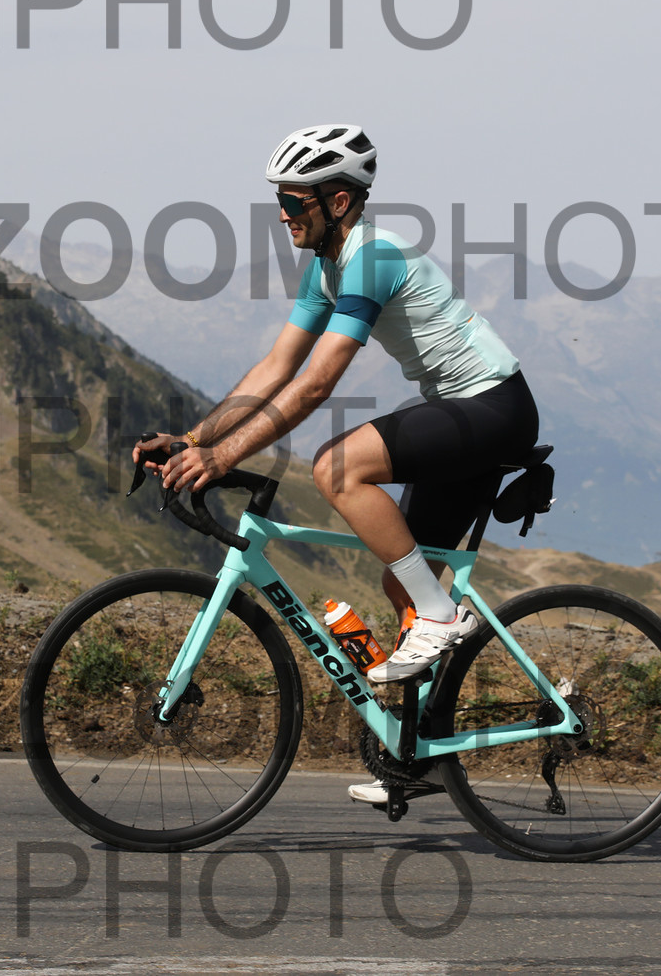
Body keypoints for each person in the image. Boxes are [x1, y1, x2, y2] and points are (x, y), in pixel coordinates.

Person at [134, 123, 540, 802]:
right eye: (279, 202)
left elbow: (317, 383)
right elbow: (276, 368)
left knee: (337, 467)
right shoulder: (327, 268)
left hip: (494, 407)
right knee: (404, 583)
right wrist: (193, 437)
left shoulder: (372, 258)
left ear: (340, 201)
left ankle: (442, 619)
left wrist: (224, 456)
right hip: (465, 411)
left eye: (293, 202)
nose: (283, 216)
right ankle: (418, 753)